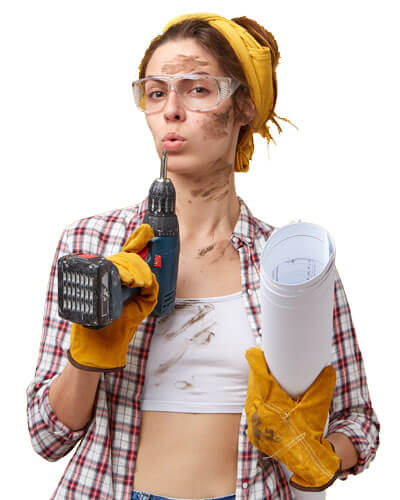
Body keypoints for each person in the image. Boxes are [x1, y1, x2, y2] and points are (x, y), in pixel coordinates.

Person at [26, 12, 380, 500]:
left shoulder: (294, 266)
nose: (171, 110)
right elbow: (47, 436)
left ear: (243, 107)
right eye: (156, 93)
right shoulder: (92, 245)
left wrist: (319, 455)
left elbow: (358, 421)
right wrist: (88, 353)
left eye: (197, 89)